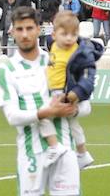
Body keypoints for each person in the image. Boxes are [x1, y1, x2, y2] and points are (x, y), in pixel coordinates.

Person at [0, 6, 80, 196]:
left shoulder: (59, 60)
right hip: (30, 154)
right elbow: (12, 116)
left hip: (65, 149)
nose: (25, 34)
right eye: (19, 29)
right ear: (12, 31)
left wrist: (70, 110)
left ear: (39, 29)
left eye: (29, 28)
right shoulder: (6, 69)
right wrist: (46, 112)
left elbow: (85, 108)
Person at [43, 10, 102, 170]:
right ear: (54, 35)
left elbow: (86, 75)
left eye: (73, 34)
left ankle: (54, 146)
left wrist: (74, 93)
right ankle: (83, 153)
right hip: (54, 89)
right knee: (73, 123)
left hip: (65, 93)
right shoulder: (53, 45)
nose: (69, 38)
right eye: (65, 34)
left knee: (43, 115)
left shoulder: (80, 52)